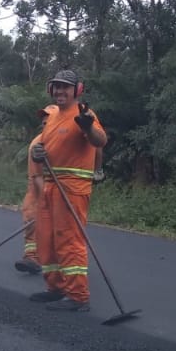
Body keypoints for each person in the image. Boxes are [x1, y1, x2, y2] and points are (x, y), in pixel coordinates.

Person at [28, 69, 108, 312]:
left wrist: (88, 127)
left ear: (77, 90)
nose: (60, 91)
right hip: (51, 185)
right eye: (56, 87)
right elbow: (43, 148)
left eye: (65, 87)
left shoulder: (84, 114)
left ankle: (78, 296)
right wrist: (36, 153)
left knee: (69, 240)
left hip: (72, 188)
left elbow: (100, 141)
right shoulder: (52, 117)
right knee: (46, 238)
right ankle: (56, 288)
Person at [15, 104, 58, 274]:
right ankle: (31, 257)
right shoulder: (36, 144)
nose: (45, 125)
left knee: (57, 228)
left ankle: (57, 259)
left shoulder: (65, 143)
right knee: (31, 220)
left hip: (58, 189)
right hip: (37, 189)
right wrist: (46, 199)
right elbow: (36, 176)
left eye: (49, 121)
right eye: (43, 122)